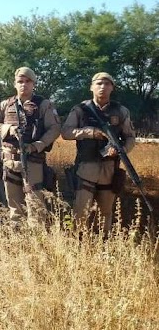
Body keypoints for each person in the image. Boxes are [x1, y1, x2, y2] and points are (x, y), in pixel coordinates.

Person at [61, 72, 135, 233]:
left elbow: (130, 138)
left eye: (107, 84)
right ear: (91, 87)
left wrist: (120, 150)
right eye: (99, 83)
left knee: (106, 211)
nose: (103, 87)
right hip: (86, 167)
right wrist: (88, 132)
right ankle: (79, 242)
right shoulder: (80, 109)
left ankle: (102, 243)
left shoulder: (120, 111)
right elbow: (66, 132)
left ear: (112, 88)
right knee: (81, 210)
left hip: (109, 168)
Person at [0, 67, 61, 225]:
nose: (24, 85)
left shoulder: (43, 105)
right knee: (14, 207)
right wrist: (8, 129)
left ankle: (35, 242)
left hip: (32, 160)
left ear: (33, 84)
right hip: (9, 161)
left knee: (35, 206)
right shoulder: (6, 104)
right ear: (15, 84)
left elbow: (54, 129)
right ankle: (17, 239)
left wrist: (37, 145)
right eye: (20, 81)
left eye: (28, 81)